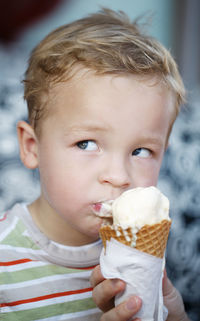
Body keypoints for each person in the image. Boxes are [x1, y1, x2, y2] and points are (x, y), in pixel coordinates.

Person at [0, 8, 190, 321]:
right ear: (32, 147)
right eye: (86, 144)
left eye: (141, 151)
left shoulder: (149, 259)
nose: (118, 177)